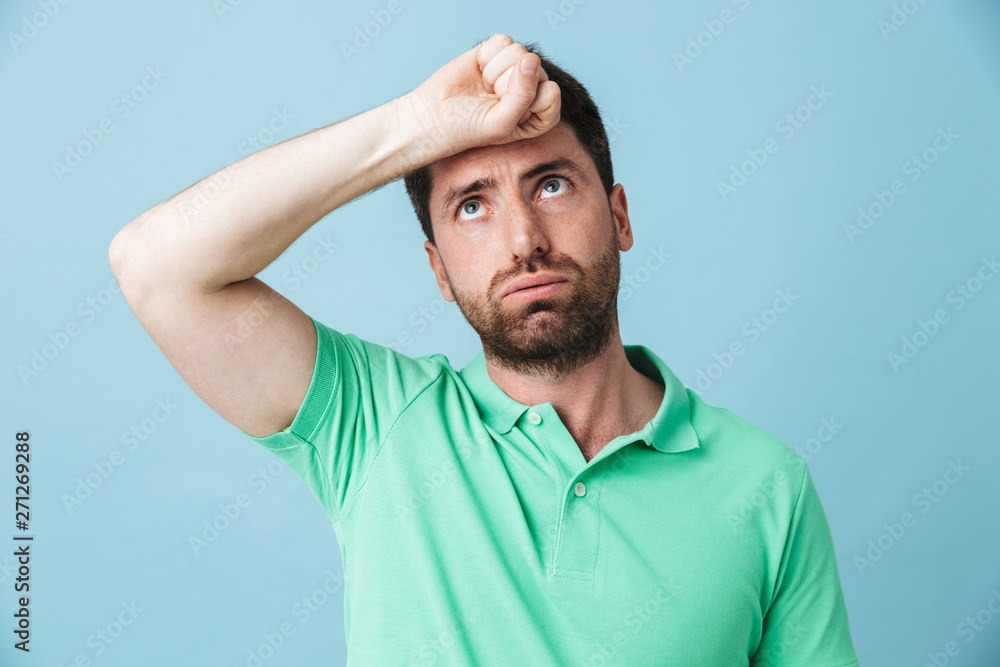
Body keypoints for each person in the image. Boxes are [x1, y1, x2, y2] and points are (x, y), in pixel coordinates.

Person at [109, 32, 859, 666]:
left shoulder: (769, 488)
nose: (523, 240)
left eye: (552, 185)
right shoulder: (374, 428)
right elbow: (154, 266)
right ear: (439, 270)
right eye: (473, 206)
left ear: (620, 217)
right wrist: (416, 124)